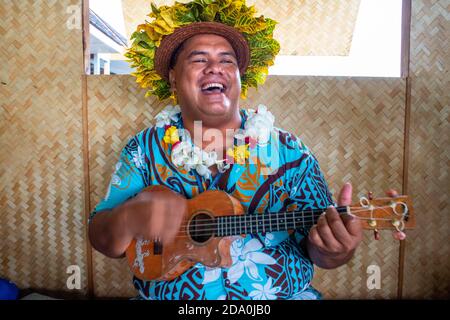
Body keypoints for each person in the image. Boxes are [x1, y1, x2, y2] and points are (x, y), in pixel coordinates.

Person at [88, 0, 363, 300]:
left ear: (239, 78)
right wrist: (129, 217)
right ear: (172, 77)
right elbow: (101, 237)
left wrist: (336, 251)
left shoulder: (290, 152)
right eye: (199, 59)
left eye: (227, 60)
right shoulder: (144, 149)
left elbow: (321, 251)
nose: (215, 68)